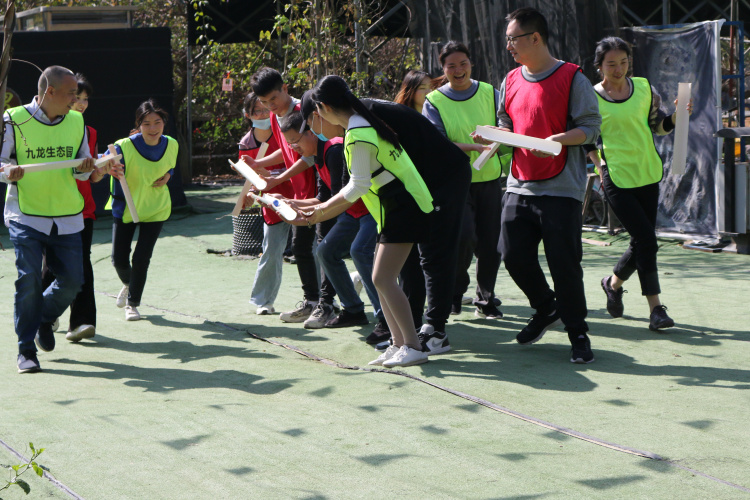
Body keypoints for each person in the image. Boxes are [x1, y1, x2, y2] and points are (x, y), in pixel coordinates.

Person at [480, 8, 602, 363]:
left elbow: (591, 128)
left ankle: (578, 334)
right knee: (511, 253)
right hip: (519, 183)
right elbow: (506, 120)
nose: (508, 47)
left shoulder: (572, 77)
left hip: (562, 187)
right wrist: (493, 134)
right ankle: (547, 307)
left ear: (535, 38)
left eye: (513, 39)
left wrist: (554, 140)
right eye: (507, 40)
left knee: (564, 262)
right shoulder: (511, 80)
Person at [302, 75, 434, 368]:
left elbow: (357, 186)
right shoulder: (361, 124)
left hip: (404, 208)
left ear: (322, 108)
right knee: (380, 278)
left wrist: (321, 210)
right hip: (394, 208)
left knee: (383, 278)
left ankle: (412, 345)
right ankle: (398, 343)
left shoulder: (358, 133)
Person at [1, 65, 111, 373]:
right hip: (26, 215)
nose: (76, 99)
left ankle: (43, 319)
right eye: (71, 93)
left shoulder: (76, 121)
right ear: (49, 92)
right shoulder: (13, 119)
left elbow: (83, 168)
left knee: (73, 282)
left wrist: (91, 168)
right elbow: (1, 162)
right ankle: (25, 350)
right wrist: (8, 171)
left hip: (67, 215)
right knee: (29, 280)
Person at [588, 37, 691, 331]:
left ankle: (613, 283)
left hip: (647, 172)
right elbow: (585, 138)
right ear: (599, 66)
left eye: (624, 62)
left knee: (642, 241)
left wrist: (677, 117)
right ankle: (656, 308)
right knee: (647, 240)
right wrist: (599, 165)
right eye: (611, 64)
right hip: (616, 177)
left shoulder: (645, 89)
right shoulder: (591, 97)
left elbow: (657, 126)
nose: (619, 68)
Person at [423, 41, 511, 319]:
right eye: (451, 66)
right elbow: (437, 144)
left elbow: (506, 126)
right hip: (455, 184)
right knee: (462, 239)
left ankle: (486, 299)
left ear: (471, 64)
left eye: (463, 63)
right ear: (443, 69)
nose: (458, 70)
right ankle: (454, 292)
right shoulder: (434, 101)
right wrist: (473, 147)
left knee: (491, 242)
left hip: (489, 180)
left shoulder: (490, 92)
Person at [277, 108, 383, 332]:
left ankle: (384, 316)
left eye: (296, 141)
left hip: (369, 209)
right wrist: (290, 202)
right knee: (325, 251)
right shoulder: (318, 154)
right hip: (352, 212)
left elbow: (339, 200)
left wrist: (308, 217)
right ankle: (353, 310)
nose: (294, 148)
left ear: (311, 132)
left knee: (360, 251)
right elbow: (323, 197)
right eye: (290, 144)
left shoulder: (334, 150)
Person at [245, 68, 335, 325]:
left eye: (272, 99)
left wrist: (277, 179)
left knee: (326, 248)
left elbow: (309, 156)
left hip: (321, 191)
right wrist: (259, 163)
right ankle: (314, 302)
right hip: (301, 193)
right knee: (303, 248)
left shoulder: (304, 111)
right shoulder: (276, 116)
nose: (268, 105)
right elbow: (288, 150)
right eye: (263, 102)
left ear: (285, 88)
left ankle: (330, 303)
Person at [41, 73, 108, 343]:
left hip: (83, 208)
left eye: (84, 99)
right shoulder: (40, 127)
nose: (80, 103)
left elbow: (91, 175)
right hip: (48, 207)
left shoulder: (88, 131)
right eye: (75, 97)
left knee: (83, 262)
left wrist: (103, 168)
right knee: (51, 264)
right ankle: (45, 312)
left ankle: (81, 323)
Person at [108, 99, 177, 321]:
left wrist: (168, 175)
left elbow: (170, 166)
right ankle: (130, 283)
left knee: (141, 258)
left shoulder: (172, 144)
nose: (153, 128)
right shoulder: (123, 146)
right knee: (118, 259)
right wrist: (108, 167)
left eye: (157, 122)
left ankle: (133, 303)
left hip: (156, 209)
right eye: (146, 124)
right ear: (138, 125)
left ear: (164, 123)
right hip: (126, 209)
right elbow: (104, 162)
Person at [239, 91, 295, 316]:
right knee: (271, 250)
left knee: (312, 249)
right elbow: (250, 177)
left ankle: (321, 299)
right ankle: (264, 301)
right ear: (248, 115)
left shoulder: (283, 131)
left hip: (300, 194)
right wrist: (252, 192)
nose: (262, 113)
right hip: (272, 201)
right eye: (256, 111)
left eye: (264, 108)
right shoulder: (246, 143)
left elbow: (293, 153)